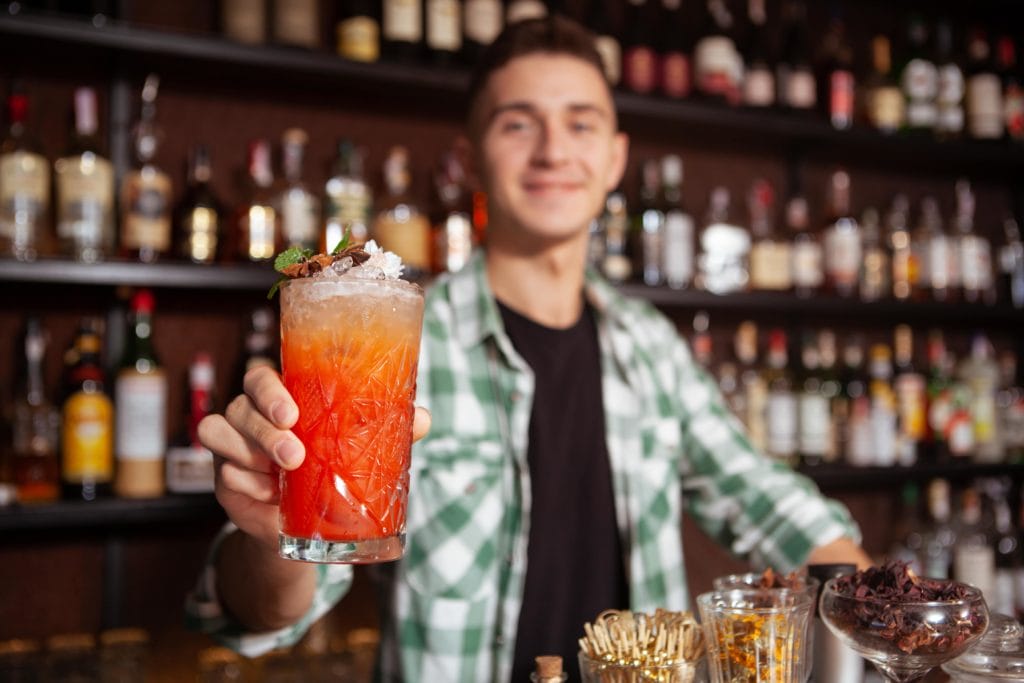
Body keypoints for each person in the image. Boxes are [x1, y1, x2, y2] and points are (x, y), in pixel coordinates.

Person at [188, 14, 872, 682]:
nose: (552, 150)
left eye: (580, 123)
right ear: (470, 157)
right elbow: (264, 613)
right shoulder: (390, 343)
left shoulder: (650, 347)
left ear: (614, 158)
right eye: (519, 123)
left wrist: (889, 612)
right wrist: (271, 536)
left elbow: (762, 497)